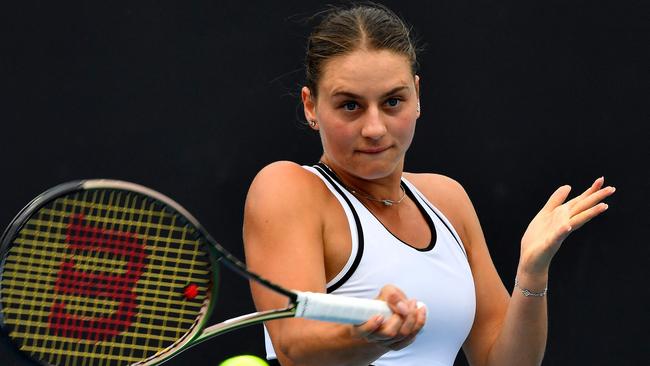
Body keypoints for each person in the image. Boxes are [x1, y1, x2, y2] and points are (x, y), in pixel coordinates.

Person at [242, 3, 615, 366]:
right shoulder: (288, 189)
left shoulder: (447, 198)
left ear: (416, 96)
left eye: (392, 101)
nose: (374, 128)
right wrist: (371, 335)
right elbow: (295, 348)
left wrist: (532, 272)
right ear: (311, 106)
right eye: (350, 106)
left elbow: (502, 361)